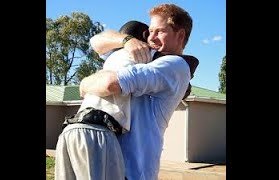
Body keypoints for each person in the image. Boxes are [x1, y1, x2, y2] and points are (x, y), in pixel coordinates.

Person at [81, 3, 199, 180]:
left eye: (159, 31)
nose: (151, 38)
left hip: (134, 170)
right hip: (110, 160)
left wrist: (84, 83)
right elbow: (96, 41)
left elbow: (109, 84)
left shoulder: (177, 66)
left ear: (180, 34)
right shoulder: (146, 57)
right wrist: (126, 40)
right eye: (150, 31)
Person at [54, 20, 152, 180]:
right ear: (144, 36)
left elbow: (95, 40)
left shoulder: (112, 58)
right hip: (98, 133)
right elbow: (185, 64)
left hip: (69, 132)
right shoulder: (144, 55)